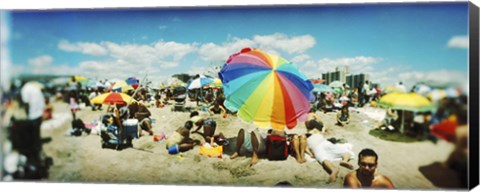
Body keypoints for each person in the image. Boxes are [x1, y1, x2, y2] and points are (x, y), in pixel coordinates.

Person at [20, 81, 46, 164]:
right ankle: (39, 153)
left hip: (33, 115)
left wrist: (27, 115)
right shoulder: (34, 87)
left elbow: (26, 104)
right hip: (39, 113)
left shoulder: (24, 90)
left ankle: (36, 158)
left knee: (32, 137)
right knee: (37, 135)